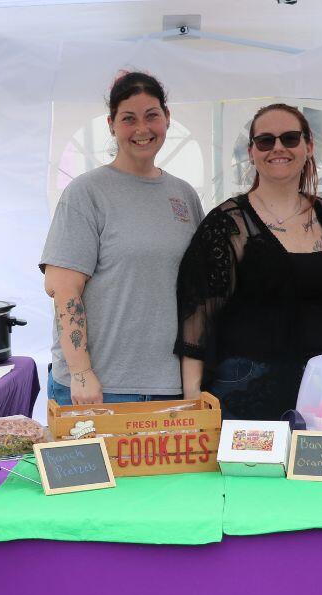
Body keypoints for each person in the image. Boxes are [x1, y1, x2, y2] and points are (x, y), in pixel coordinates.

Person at [175, 104, 322, 420]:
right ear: (251, 152)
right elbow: (195, 319)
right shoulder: (227, 224)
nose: (278, 148)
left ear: (308, 146)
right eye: (265, 141)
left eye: (289, 138)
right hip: (247, 391)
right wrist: (194, 402)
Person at [40, 71, 203, 405]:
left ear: (167, 119)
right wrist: (82, 374)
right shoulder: (86, 193)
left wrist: (192, 385)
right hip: (100, 389)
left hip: (168, 387)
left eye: (151, 116)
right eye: (129, 119)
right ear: (112, 125)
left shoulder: (184, 196)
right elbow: (64, 289)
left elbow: (197, 293)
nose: (142, 129)